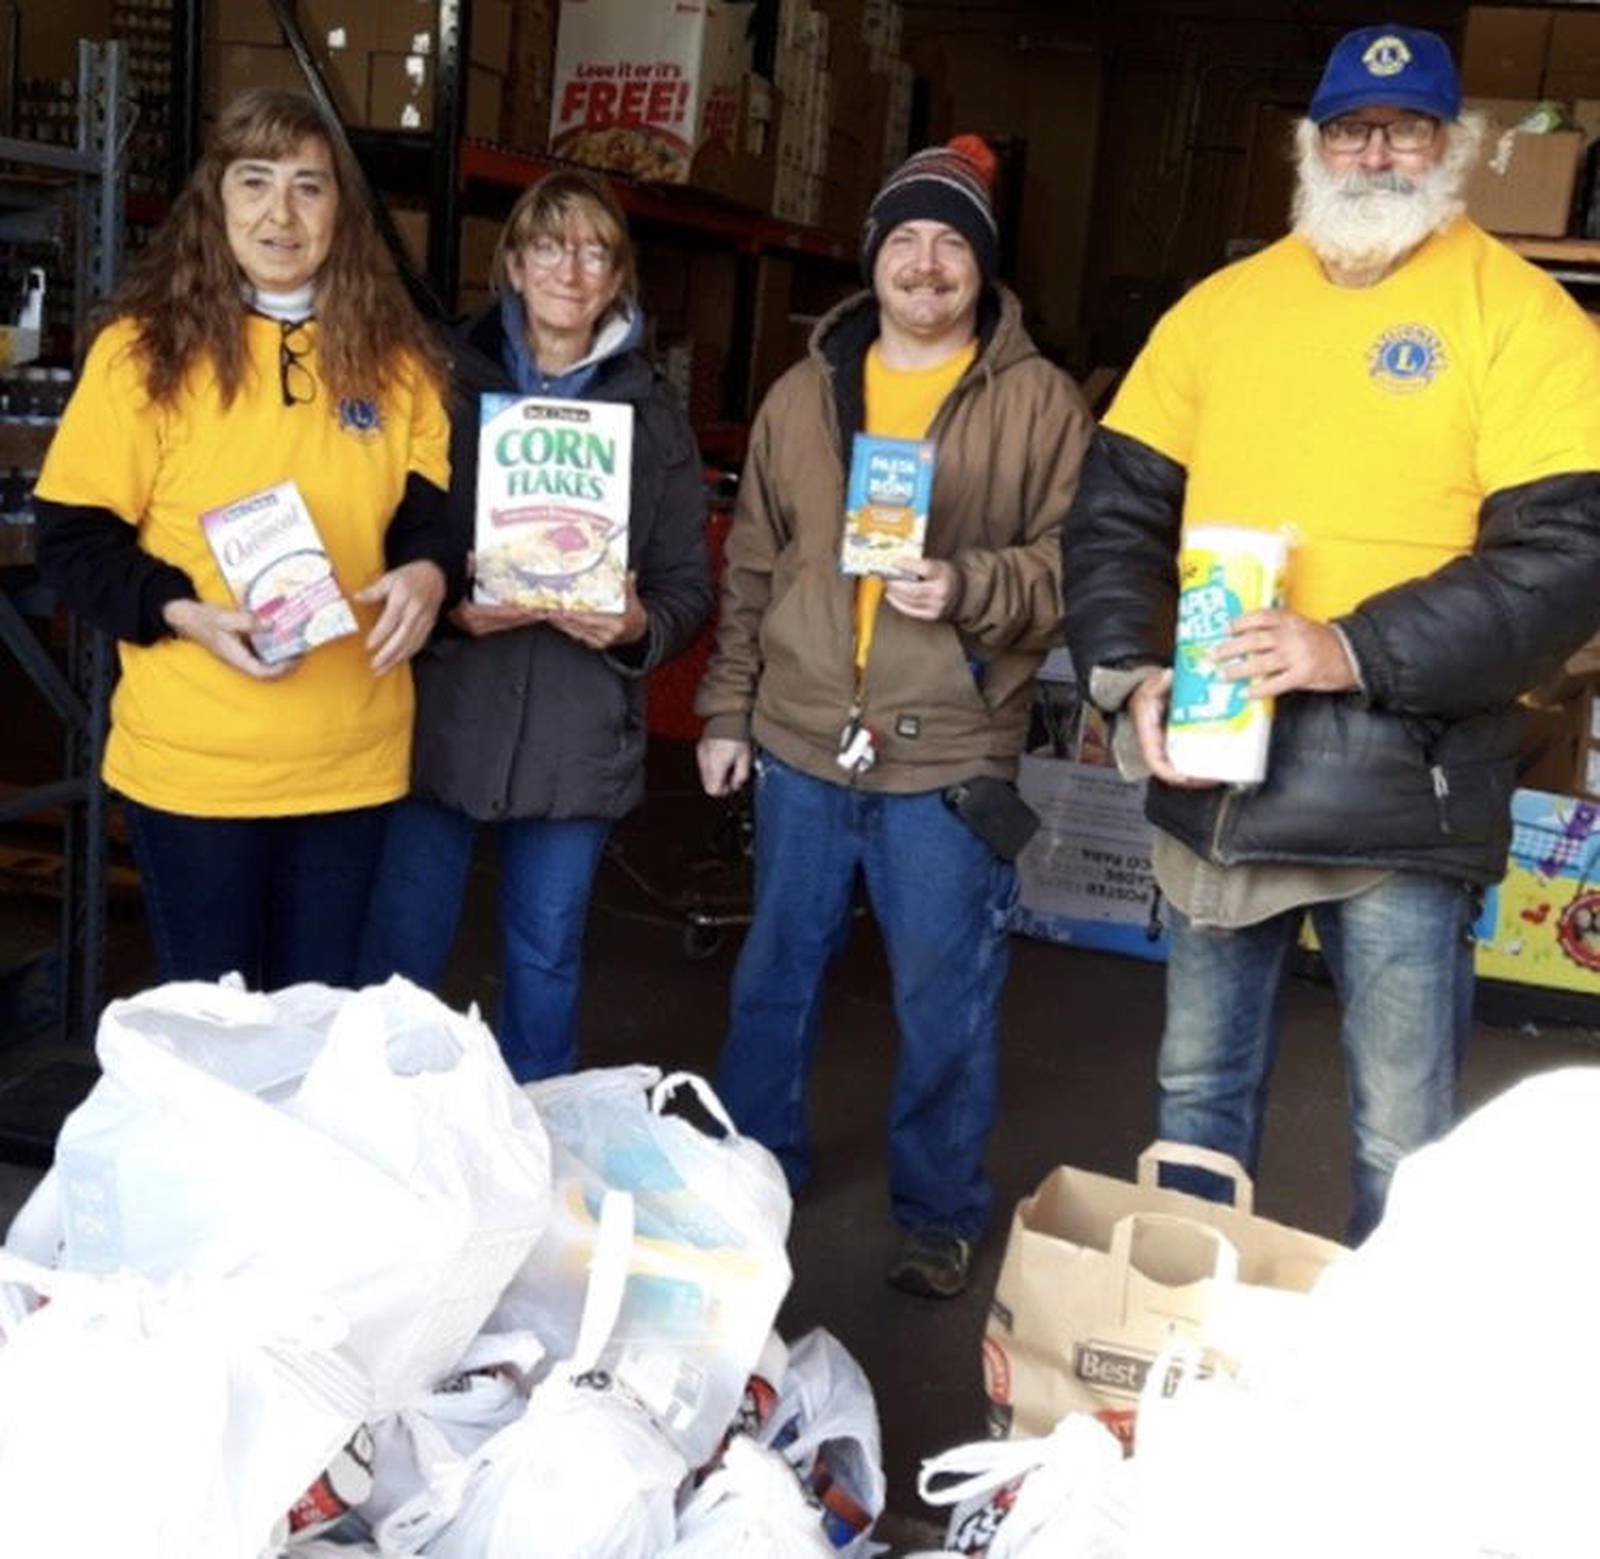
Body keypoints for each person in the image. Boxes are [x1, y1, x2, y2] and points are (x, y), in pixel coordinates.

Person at [1062, 25, 1600, 1243]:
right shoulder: (1220, 309)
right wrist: (1124, 670)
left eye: (1403, 129)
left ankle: (1379, 1399)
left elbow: (1566, 560)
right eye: (1349, 128)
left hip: (1401, 803)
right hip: (1220, 784)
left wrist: (1346, 648)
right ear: (1308, 146)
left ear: (1450, 147)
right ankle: (1194, 1352)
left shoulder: (1523, 320)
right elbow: (1112, 512)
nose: (1374, 154)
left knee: (1399, 1143)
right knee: (1195, 1106)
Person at [695, 135, 1091, 1297]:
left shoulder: (1040, 403)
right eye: (904, 238)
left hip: (948, 753)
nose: (926, 264)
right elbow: (754, 566)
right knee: (774, 974)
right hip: (803, 736)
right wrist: (727, 709)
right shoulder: (801, 394)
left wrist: (969, 585)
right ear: (874, 258)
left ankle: (936, 1210)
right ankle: (753, 1176)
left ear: (982, 264)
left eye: (951, 241)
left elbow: (1077, 566)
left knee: (945, 996)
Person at [33, 89, 460, 991]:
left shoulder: (398, 358)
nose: (280, 212)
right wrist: (182, 612)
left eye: (309, 187)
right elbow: (72, 539)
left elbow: (428, 513)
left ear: (342, 212)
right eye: (255, 180)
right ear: (215, 199)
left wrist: (429, 573)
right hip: (198, 767)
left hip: (352, 762)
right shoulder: (140, 353)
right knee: (219, 1036)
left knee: (318, 1027)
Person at [356, 169, 710, 1082]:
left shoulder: (653, 414)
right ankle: (371, 1144)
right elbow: (371, 536)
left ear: (618, 277)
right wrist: (442, 609)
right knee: (395, 961)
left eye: (597, 250)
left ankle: (530, 1164)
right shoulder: (432, 379)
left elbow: (685, 586)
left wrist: (635, 628)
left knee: (545, 965)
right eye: (550, 244)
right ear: (512, 263)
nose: (572, 268)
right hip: (439, 718)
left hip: (575, 735)